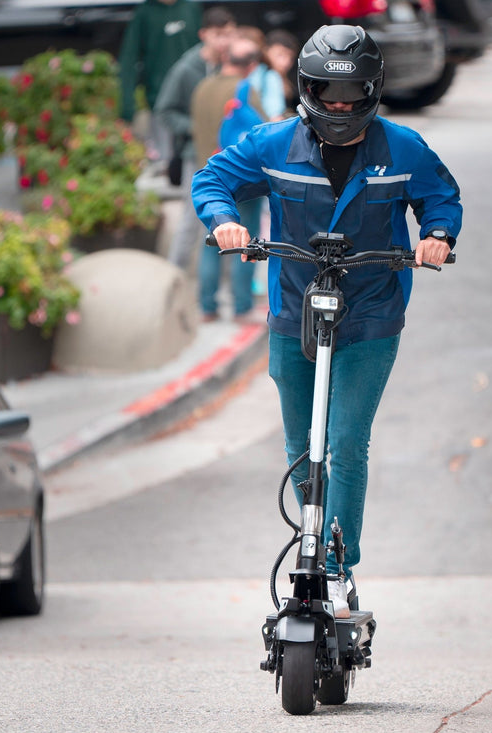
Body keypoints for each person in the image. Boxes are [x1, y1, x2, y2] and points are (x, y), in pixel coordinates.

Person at [192, 25, 462, 617]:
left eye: (351, 95)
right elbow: (212, 180)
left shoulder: (404, 148)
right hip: (295, 310)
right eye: (328, 95)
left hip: (371, 312)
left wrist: (437, 234)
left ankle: (337, 563)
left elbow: (441, 197)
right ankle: (309, 542)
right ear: (306, 89)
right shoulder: (271, 145)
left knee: (344, 441)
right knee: (299, 445)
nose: (339, 107)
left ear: (373, 90)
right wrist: (223, 222)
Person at [190, 35, 267, 321]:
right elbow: (265, 134)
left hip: (208, 177)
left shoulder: (202, 88)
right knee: (246, 241)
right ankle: (241, 305)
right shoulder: (245, 90)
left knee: (212, 239)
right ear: (250, 66)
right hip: (241, 178)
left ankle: (207, 306)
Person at [154, 6, 236, 268]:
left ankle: (213, 282)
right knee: (192, 217)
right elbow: (165, 110)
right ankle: (173, 272)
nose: (223, 40)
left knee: (222, 218)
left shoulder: (233, 65)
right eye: (217, 34)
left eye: (228, 34)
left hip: (226, 151)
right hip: (194, 153)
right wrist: (197, 127)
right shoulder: (186, 68)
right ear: (203, 34)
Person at [117, 0, 202, 160]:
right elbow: (129, 59)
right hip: (160, 102)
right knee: (164, 161)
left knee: (195, 160)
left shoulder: (191, 8)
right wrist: (127, 106)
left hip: (193, 102)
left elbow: (204, 51)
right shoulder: (145, 12)